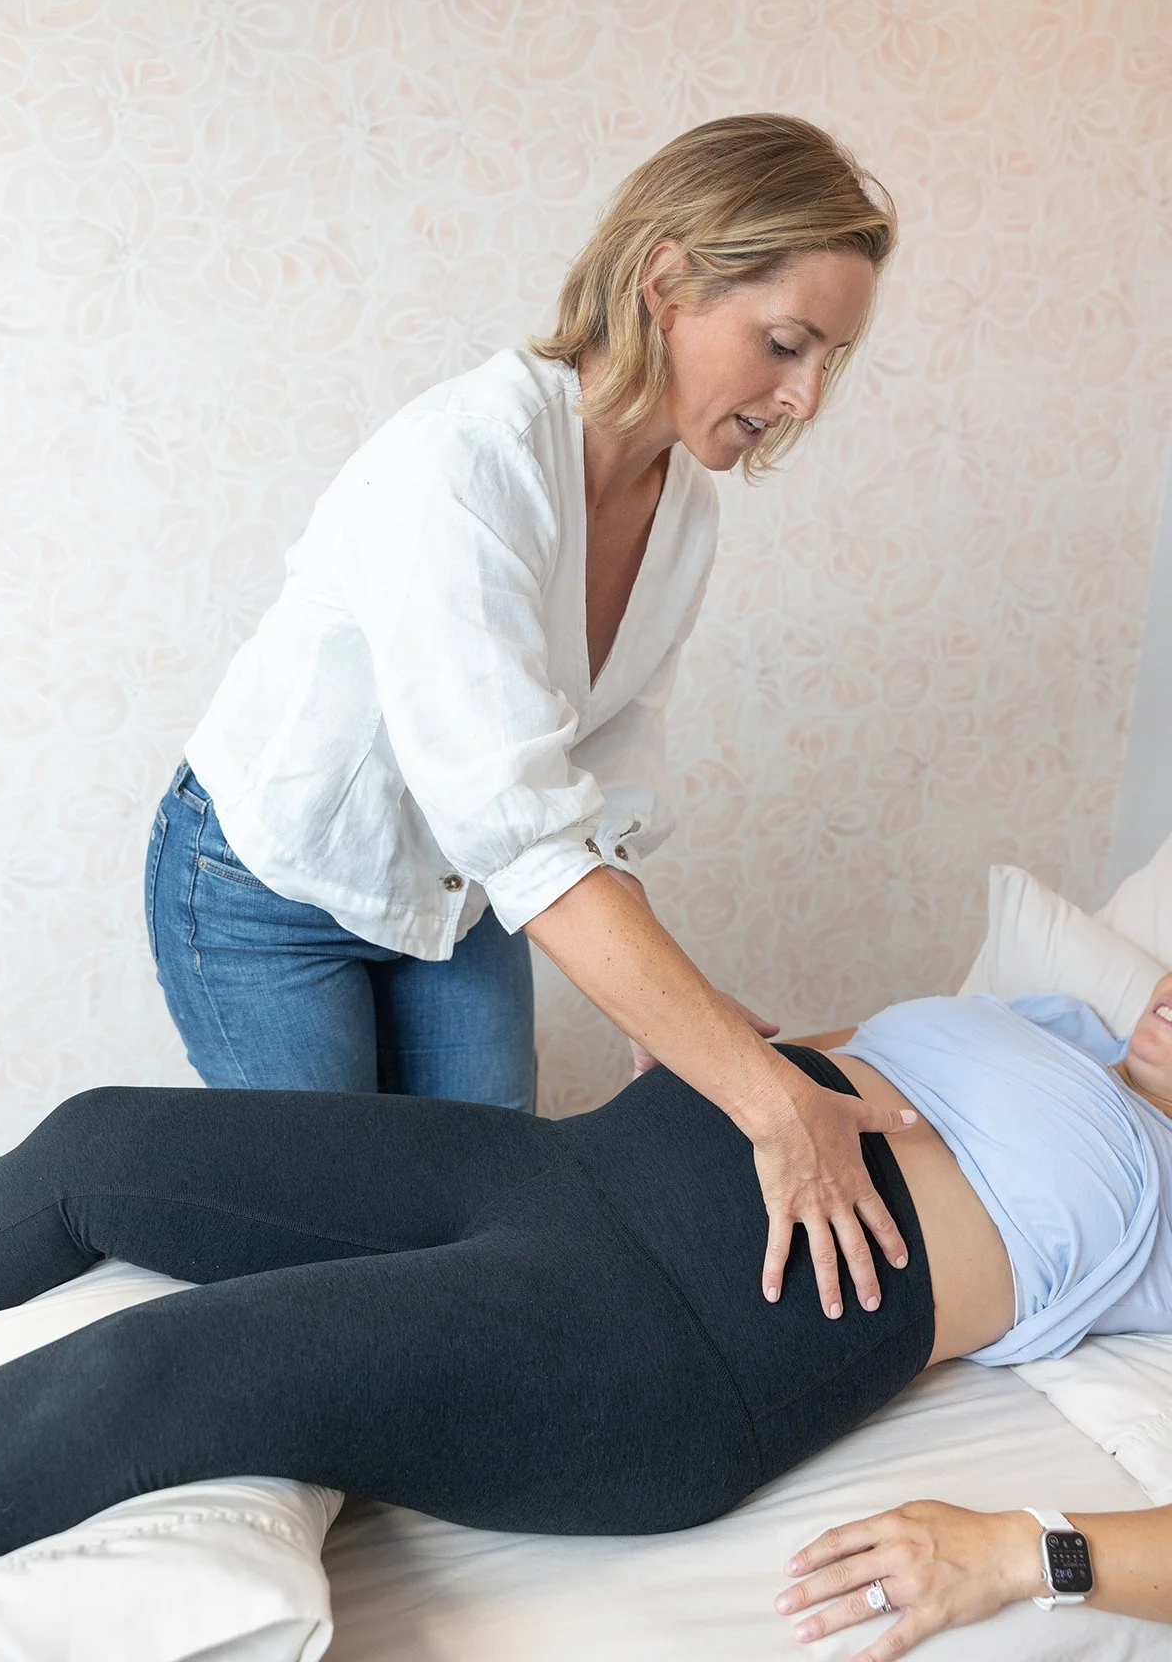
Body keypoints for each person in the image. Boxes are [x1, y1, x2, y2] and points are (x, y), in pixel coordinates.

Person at [146, 112, 914, 1323]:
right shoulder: (465, 466)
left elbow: (590, 789)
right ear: (665, 280)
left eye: (830, 361)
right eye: (783, 343)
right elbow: (529, 834)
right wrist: (764, 1096)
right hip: (268, 892)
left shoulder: (684, 515)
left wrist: (683, 1016)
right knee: (322, 1240)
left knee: (480, 1213)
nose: (805, 396)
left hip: (460, 898)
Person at [0, 967, 1172, 1604]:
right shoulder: (1058, 1015)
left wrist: (1034, 1553)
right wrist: (724, 1048)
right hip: (568, 1163)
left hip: (666, 1335)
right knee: (92, 1149)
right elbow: (844, 1075)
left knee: (162, 1367)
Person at [776, 968, 1172, 1662]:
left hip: (727, 1298)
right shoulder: (1058, 1015)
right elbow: (812, 1059)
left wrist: (1021, 1550)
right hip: (610, 1152)